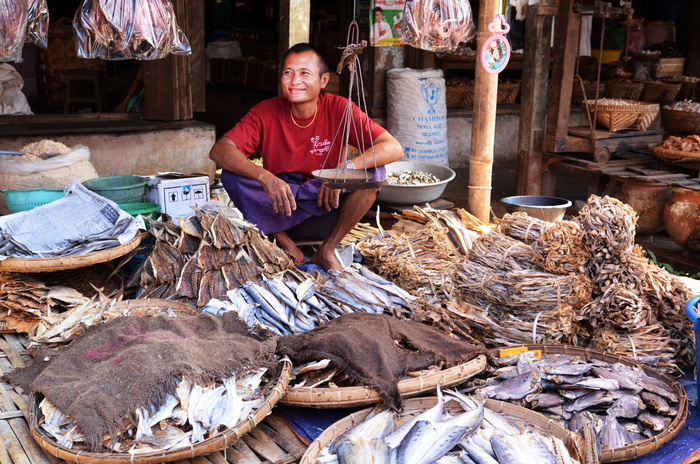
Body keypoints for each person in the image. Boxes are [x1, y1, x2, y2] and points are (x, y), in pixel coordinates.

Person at [209, 43, 403, 271]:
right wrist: (265, 177)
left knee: (374, 172)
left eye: (304, 73)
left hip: (327, 206)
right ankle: (287, 245)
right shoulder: (266, 111)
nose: (294, 81)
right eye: (288, 73)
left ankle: (327, 250)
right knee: (232, 175)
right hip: (279, 207)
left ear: (323, 80)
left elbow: (393, 148)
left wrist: (340, 173)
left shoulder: (339, 108)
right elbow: (220, 150)